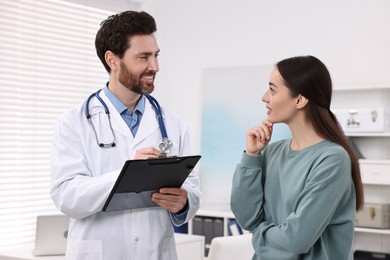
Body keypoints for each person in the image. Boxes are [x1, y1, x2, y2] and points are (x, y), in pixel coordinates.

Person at [50, 11, 200, 260]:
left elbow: (192, 188)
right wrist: (127, 174)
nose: (155, 66)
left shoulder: (172, 123)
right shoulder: (74, 122)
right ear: (113, 59)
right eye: (143, 57)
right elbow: (67, 196)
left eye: (155, 55)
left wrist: (183, 202)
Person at [230, 55, 364, 260]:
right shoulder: (271, 152)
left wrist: (260, 234)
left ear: (300, 100)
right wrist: (252, 156)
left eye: (272, 90)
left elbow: (296, 239)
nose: (264, 97)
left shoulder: (332, 159)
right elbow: (247, 218)